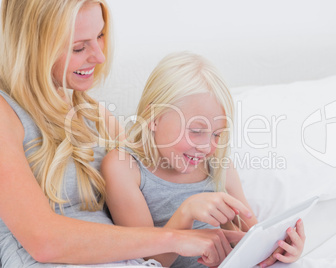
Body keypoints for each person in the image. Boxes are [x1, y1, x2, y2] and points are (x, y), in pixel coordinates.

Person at [0, 1, 244, 267]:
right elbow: (43, 242)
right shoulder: (6, 114)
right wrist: (175, 238)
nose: (99, 56)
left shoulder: (95, 116)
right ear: (33, 46)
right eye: (79, 47)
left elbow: (156, 187)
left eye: (100, 36)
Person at [102, 52, 306, 268]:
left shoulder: (217, 164)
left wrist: (281, 248)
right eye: (197, 130)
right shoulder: (124, 167)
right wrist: (187, 212)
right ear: (154, 118)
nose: (208, 147)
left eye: (217, 134)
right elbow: (147, 261)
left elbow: (252, 235)